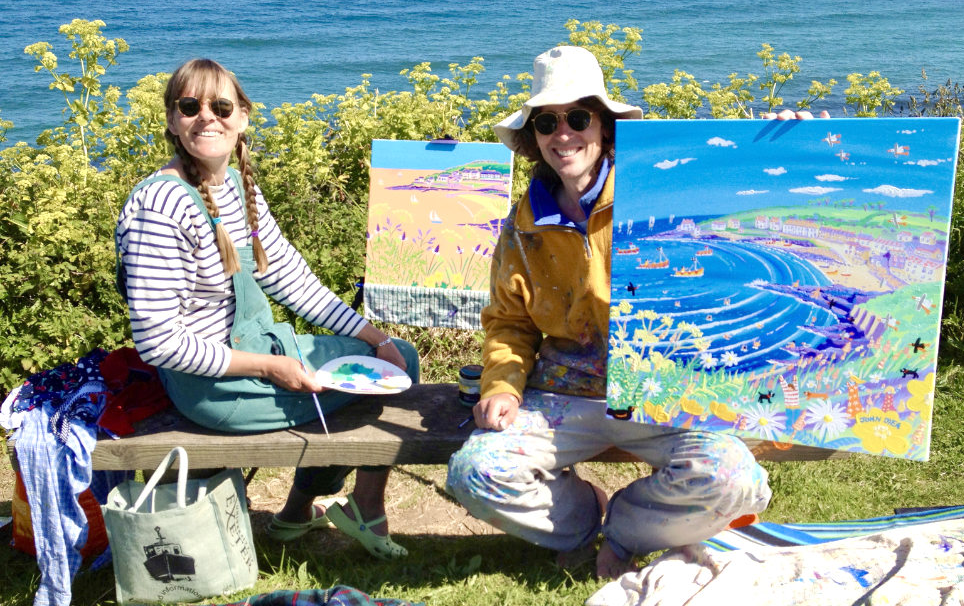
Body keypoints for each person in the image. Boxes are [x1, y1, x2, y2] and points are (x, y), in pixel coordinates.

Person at [445, 46, 772, 579]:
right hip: (563, 394)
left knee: (735, 479)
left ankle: (625, 531)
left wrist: (788, 139)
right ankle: (578, 520)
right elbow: (510, 323)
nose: (563, 133)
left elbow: (752, 201)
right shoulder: (520, 227)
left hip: (663, 392)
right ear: (533, 136)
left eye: (578, 117)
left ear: (605, 126)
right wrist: (501, 386)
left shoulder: (664, 194)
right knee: (474, 474)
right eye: (547, 121)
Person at [116, 58, 411, 559]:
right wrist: (271, 366)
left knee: (393, 356)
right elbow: (159, 342)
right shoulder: (160, 205)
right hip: (211, 385)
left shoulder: (237, 185)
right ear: (172, 120)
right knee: (366, 389)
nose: (206, 117)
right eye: (190, 106)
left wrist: (371, 336)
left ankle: (296, 515)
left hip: (254, 354)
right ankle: (358, 507)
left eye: (221, 105)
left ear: (243, 117)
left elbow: (288, 277)